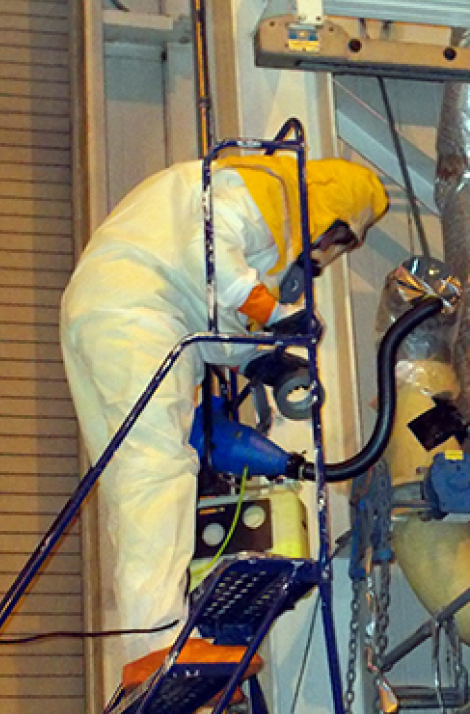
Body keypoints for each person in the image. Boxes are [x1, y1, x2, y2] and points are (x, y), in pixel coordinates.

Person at [60, 153, 388, 669]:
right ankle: (155, 644)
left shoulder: (254, 209)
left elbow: (218, 315)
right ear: (329, 209)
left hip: (117, 310)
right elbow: (209, 254)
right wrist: (276, 315)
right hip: (135, 313)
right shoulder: (255, 190)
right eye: (335, 239)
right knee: (159, 470)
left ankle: (147, 641)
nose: (323, 256)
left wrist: (266, 361)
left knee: (136, 479)